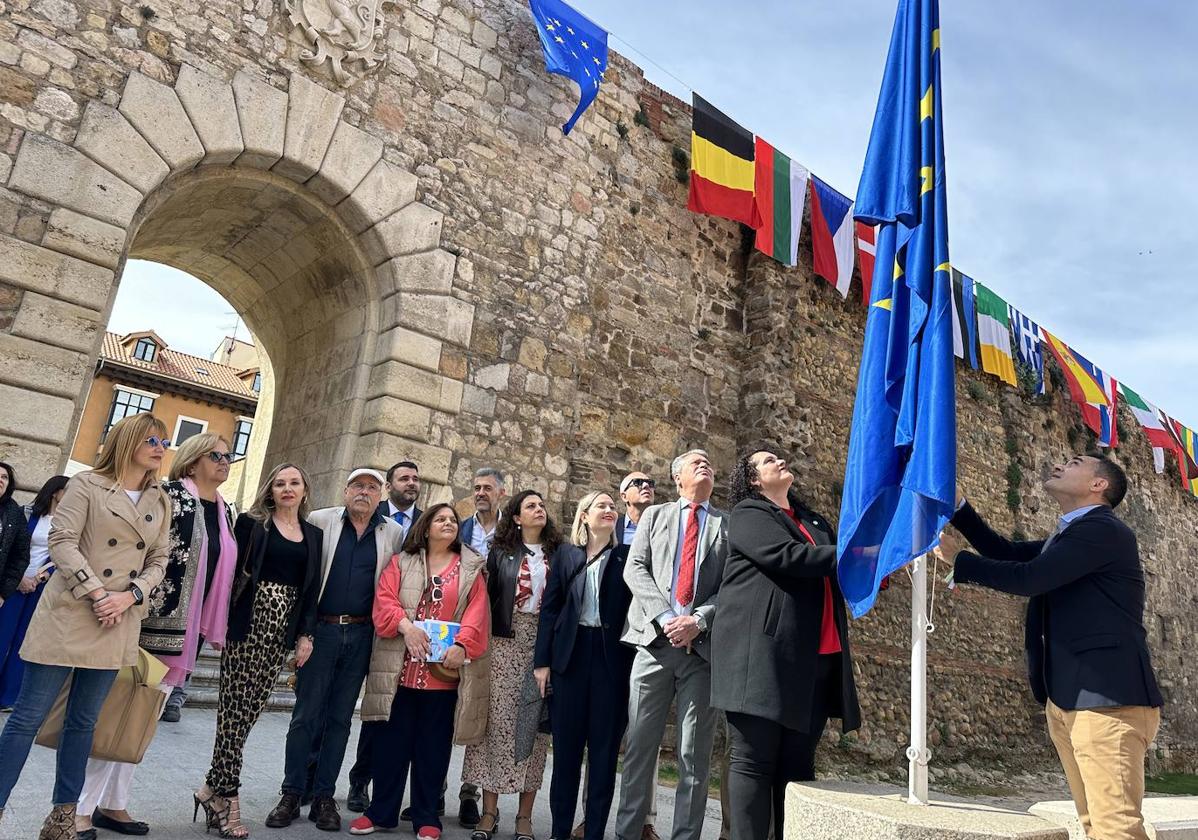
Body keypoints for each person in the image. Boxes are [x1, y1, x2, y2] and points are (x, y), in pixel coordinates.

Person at [942, 454, 1163, 840]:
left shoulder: (1103, 531)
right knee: (1096, 825)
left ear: (1099, 485)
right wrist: (959, 508)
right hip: (1071, 702)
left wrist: (959, 561)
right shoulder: (1070, 536)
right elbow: (1008, 553)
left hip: (1108, 703)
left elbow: (1031, 578)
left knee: (1117, 829)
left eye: (1074, 462)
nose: (1058, 465)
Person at [0, 414, 171, 840]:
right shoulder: (87, 485)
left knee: (83, 723)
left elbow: (159, 559)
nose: (160, 447)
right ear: (127, 439)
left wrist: (130, 596)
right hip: (72, 612)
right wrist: (98, 594)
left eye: (164, 442)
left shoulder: (159, 499)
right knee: (27, 718)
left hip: (118, 619)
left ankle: (62, 819)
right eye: (151, 439)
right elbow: (62, 540)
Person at [75, 433, 241, 837]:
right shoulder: (166, 495)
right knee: (117, 713)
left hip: (190, 629)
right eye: (216, 456)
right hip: (151, 621)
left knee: (143, 719)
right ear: (193, 460)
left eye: (229, 457)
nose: (225, 463)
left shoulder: (225, 511)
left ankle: (113, 804)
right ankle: (80, 808)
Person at [712, 447, 860, 840]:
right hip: (763, 657)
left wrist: (873, 568)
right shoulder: (749, 513)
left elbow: (836, 570)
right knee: (753, 762)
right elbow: (787, 556)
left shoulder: (813, 519)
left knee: (798, 768)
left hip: (816, 660)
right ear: (754, 479)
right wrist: (857, 556)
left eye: (779, 457)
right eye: (767, 461)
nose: (779, 460)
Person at [266, 468, 403, 832]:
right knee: (305, 716)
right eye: (358, 485)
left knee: (341, 720)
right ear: (345, 491)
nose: (364, 492)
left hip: (361, 636)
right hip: (321, 631)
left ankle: (325, 796)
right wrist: (303, 633)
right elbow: (308, 579)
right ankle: (292, 792)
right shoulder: (320, 520)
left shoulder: (393, 532)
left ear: (381, 495)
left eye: (372, 488)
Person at [195, 462, 323, 838]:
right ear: (270, 489)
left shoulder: (313, 535)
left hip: (282, 629)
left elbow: (311, 589)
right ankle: (228, 799)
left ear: (304, 490)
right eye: (280, 483)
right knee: (233, 712)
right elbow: (230, 574)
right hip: (247, 623)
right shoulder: (252, 524)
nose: (287, 488)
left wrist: (305, 635)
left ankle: (208, 789)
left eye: (294, 483)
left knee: (249, 713)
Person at [349, 504, 490, 839]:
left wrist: (463, 644)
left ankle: (427, 815)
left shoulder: (471, 567)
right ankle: (381, 812)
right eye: (440, 519)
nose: (448, 524)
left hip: (443, 676)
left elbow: (478, 611)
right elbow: (384, 600)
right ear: (425, 527)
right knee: (390, 746)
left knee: (433, 749)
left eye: (453, 520)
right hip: (400, 673)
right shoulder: (402, 562)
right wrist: (406, 628)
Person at [616, 449, 728, 840]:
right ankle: (627, 833)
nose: (705, 465)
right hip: (654, 646)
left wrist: (698, 621)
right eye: (696, 462)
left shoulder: (725, 525)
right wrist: (666, 619)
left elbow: (731, 588)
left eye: (709, 463)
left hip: (701, 653)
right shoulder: (655, 516)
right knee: (638, 751)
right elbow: (635, 568)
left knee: (694, 759)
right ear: (678, 478)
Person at [462, 490, 565, 840]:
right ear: (517, 518)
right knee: (498, 727)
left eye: (542, 505)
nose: (539, 510)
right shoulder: (500, 553)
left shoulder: (560, 554)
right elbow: (483, 599)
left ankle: (524, 817)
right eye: (531, 506)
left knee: (532, 731)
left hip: (543, 643)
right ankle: (489, 813)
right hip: (504, 643)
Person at [535, 490, 635, 840]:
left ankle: (593, 832)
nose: (610, 511)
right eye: (602, 506)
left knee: (604, 756)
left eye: (613, 507)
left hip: (611, 662)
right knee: (565, 754)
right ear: (584, 515)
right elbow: (550, 609)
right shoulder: (566, 555)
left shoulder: (627, 557)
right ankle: (560, 832)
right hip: (570, 658)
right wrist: (542, 663)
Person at [344, 460, 425, 813]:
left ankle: (392, 788)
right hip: (371, 623)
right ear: (388, 485)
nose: (411, 483)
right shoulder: (374, 517)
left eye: (415, 479)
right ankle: (359, 780)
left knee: (402, 714)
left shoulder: (426, 521)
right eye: (404, 478)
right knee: (374, 710)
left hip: (411, 632)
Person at [450, 466, 506, 827]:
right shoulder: (459, 529)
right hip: (456, 627)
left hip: (494, 632)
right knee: (443, 710)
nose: (481, 493)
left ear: (502, 492)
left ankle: (470, 794)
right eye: (476, 488)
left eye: (487, 488)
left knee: (479, 712)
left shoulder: (512, 535)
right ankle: (433, 790)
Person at [0, 474, 67, 712]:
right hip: (13, 583)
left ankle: (7, 697)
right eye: (66, 489)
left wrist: (44, 575)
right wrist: (18, 579)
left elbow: (65, 556)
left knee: (23, 641)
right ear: (54, 491)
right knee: (2, 635)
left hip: (40, 588)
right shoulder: (27, 513)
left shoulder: (69, 523)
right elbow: (10, 547)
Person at [0, 461, 32, 622]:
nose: (0, 480)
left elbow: (20, 556)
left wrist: (3, 593)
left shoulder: (14, 513)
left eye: (4, 477)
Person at [615, 472, 655, 547]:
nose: (646, 485)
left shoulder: (663, 527)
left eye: (650, 483)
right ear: (624, 496)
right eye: (638, 482)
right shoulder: (613, 528)